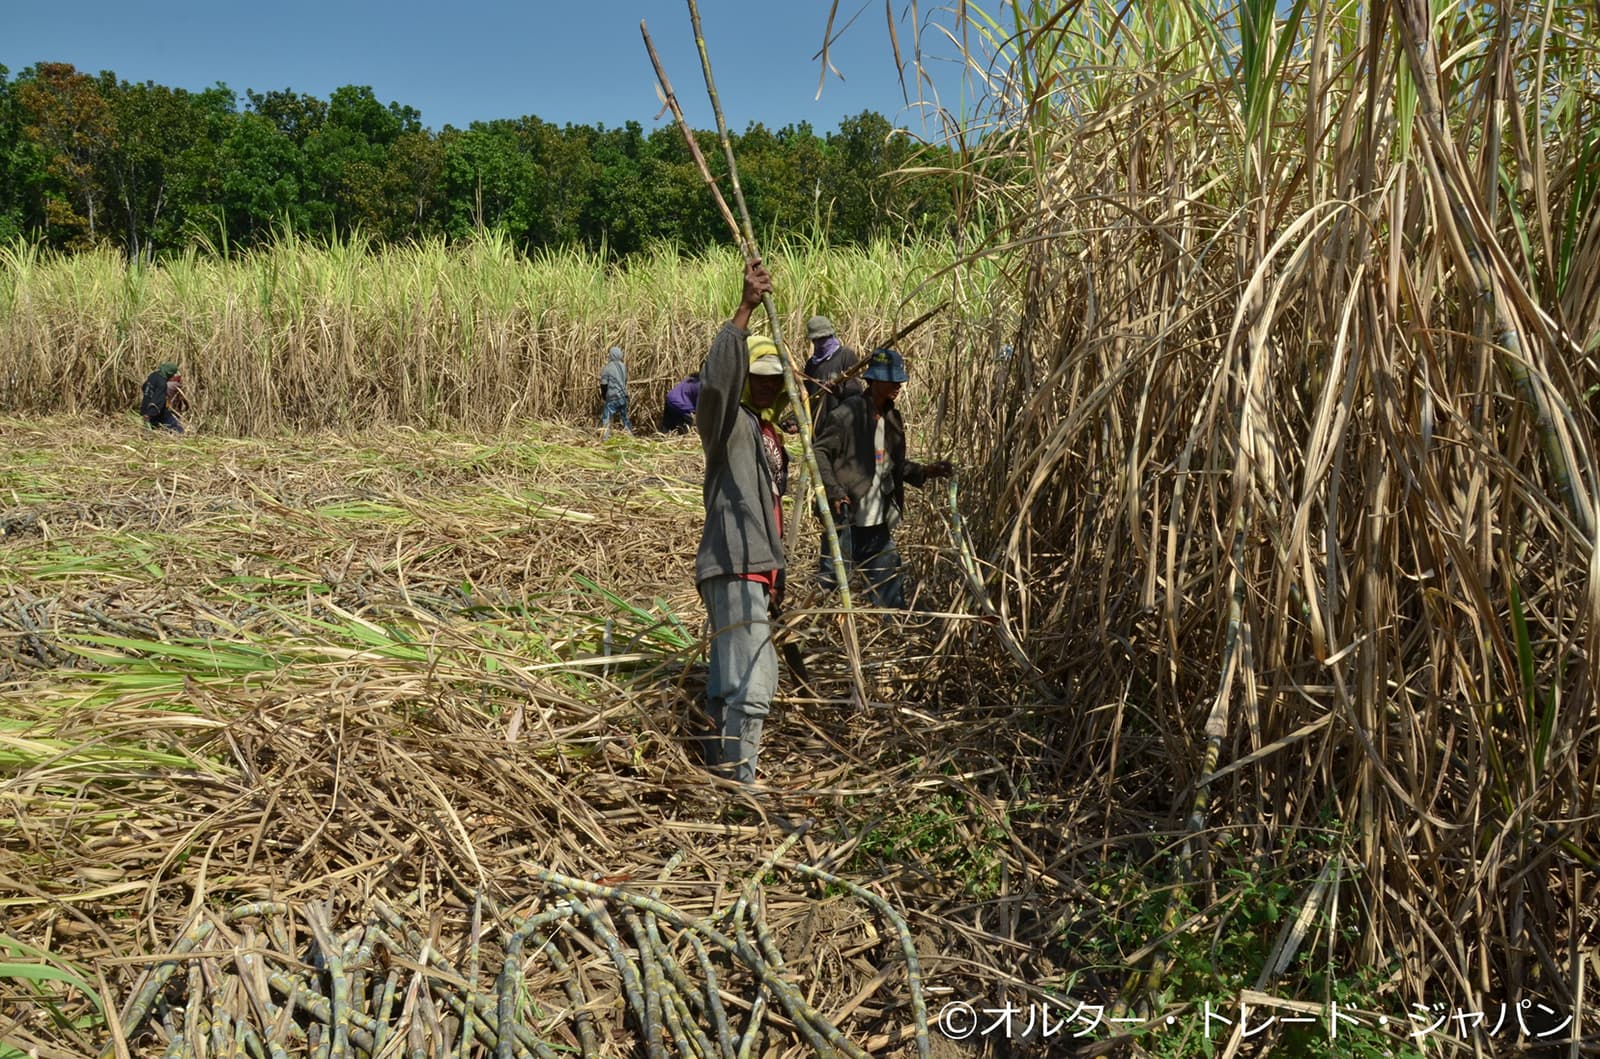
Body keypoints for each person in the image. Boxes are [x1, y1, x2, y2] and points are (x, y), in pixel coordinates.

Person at [695, 259, 789, 784]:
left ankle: (716, 772)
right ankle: (740, 780)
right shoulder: (727, 422)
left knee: (728, 678)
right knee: (754, 680)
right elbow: (716, 386)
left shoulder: (767, 430)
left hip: (756, 567)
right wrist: (745, 310)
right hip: (733, 560)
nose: (769, 386)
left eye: (775, 379)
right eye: (759, 378)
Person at [813, 347, 953, 608]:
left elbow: (889, 465)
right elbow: (819, 451)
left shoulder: (892, 419)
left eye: (899, 379)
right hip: (847, 519)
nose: (898, 385)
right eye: (892, 379)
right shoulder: (848, 414)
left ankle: (892, 628)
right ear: (874, 381)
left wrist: (925, 471)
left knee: (889, 593)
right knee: (830, 589)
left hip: (877, 522)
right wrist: (833, 490)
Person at [801, 315, 863, 424]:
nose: (820, 343)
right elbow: (807, 398)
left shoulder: (846, 356)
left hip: (840, 425)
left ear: (831, 335)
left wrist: (837, 391)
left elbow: (855, 394)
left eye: (824, 338)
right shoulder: (811, 364)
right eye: (816, 340)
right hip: (817, 427)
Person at [139, 361, 186, 433]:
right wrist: (150, 414)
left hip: (145, 406)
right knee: (177, 429)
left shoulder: (153, 375)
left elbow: (144, 387)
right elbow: (159, 400)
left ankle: (148, 430)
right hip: (156, 411)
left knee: (153, 426)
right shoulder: (162, 384)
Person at [598, 346, 634, 438]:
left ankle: (605, 439)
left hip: (612, 398)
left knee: (606, 419)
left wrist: (604, 396)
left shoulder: (607, 368)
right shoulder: (623, 367)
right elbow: (625, 381)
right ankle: (631, 436)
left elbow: (604, 385)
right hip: (623, 397)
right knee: (625, 417)